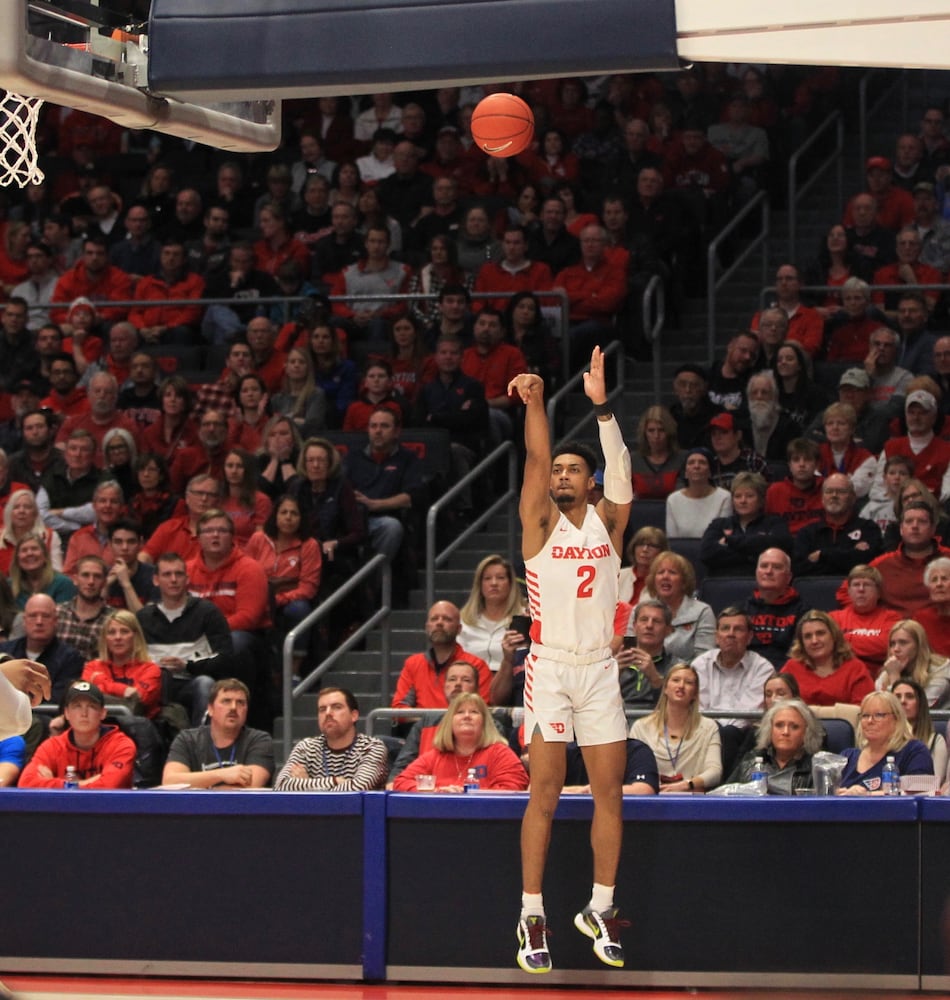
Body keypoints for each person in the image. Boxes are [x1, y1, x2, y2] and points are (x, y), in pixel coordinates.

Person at [507, 346, 632, 974]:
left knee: (610, 793)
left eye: (572, 469)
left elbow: (625, 473)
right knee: (547, 792)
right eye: (557, 469)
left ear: (590, 482)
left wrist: (601, 407)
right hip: (550, 666)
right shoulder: (537, 523)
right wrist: (534, 403)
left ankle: (599, 906)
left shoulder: (609, 524)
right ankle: (532, 914)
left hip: (600, 671)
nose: (559, 475)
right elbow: (533, 456)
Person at [137, 553, 237, 727]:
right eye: (167, 575)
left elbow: (225, 657)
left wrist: (187, 665)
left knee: (206, 684)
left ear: (187, 578)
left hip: (191, 681)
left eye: (179, 574)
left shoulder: (207, 612)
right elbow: (133, 659)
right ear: (156, 580)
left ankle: (201, 746)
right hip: (153, 685)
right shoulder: (142, 618)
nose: (173, 579)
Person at [692, 607, 775, 771]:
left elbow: (747, 714)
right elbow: (698, 709)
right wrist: (714, 730)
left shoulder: (762, 668)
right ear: (716, 636)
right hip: (703, 733)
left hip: (743, 737)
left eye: (738, 629)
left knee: (729, 733)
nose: (730, 634)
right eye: (725, 628)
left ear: (749, 637)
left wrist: (719, 731)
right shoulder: (700, 664)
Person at [391, 691, 528, 791]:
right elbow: (401, 782)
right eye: (460, 712)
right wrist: (438, 792)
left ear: (485, 723)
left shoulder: (500, 753)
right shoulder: (435, 756)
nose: (467, 716)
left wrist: (469, 794)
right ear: (449, 722)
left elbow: (514, 788)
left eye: (474, 712)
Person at [17, 679, 135, 789]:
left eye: (92, 706)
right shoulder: (52, 746)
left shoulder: (122, 745)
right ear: (66, 713)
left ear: (103, 713)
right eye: (77, 706)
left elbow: (109, 786)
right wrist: (84, 783)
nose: (84, 713)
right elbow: (26, 783)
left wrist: (54, 783)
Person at [161, 678, 274, 788]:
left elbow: (249, 787)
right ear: (210, 709)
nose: (233, 707)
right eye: (226, 701)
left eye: (240, 702)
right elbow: (170, 782)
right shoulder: (187, 739)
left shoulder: (259, 740)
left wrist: (196, 785)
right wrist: (222, 774)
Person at [629, 664, 722, 794]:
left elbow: (715, 772)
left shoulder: (708, 727)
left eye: (689, 682)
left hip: (693, 799)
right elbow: (633, 770)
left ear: (695, 693)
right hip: (653, 799)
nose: (681, 686)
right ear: (665, 688)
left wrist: (686, 785)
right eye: (676, 680)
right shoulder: (641, 727)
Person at [275, 687, 389, 791]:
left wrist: (307, 785)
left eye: (337, 707)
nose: (328, 713)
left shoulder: (372, 747)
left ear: (354, 715)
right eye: (322, 709)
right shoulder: (306, 747)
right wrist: (335, 781)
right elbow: (281, 785)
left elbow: (357, 788)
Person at [391, 600, 492, 708]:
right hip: (420, 725)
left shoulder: (477, 665)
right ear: (427, 627)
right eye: (434, 619)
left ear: (459, 629)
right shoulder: (413, 664)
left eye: (447, 619)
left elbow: (480, 710)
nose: (439, 623)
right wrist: (428, 721)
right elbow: (399, 709)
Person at [837, 690, 933, 794]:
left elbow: (924, 788)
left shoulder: (914, 750)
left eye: (878, 715)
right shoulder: (847, 757)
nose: (870, 721)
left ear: (897, 719)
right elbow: (828, 793)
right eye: (865, 715)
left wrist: (867, 796)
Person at [791, 473, 882, 577]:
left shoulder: (868, 528)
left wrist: (822, 555)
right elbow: (799, 569)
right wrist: (850, 554)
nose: (834, 495)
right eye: (829, 491)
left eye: (841, 492)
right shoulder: (807, 533)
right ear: (822, 498)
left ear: (853, 498)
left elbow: (867, 565)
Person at [700, 473, 790, 576]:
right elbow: (706, 554)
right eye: (738, 496)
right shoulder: (719, 524)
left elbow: (782, 546)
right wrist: (753, 552)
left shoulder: (775, 523)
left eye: (749, 496)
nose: (743, 501)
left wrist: (729, 541)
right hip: (723, 582)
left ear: (761, 499)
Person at [727, 698, 823, 794]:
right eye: (779, 725)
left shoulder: (817, 769)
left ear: (807, 732)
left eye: (794, 727)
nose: (785, 732)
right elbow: (725, 797)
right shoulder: (751, 762)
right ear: (770, 729)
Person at [780, 610, 874, 707]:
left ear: (833, 636)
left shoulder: (855, 669)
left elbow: (863, 710)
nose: (814, 641)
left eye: (820, 633)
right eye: (808, 636)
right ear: (801, 642)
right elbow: (778, 705)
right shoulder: (791, 668)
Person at [81, 609, 163, 719]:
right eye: (111, 632)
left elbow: (137, 702)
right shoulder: (92, 667)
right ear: (105, 639)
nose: (118, 637)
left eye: (124, 631)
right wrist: (123, 691)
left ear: (135, 636)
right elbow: (84, 698)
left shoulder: (151, 669)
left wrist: (99, 680)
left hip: (136, 729)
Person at [641, 551, 714, 663]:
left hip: (686, 678)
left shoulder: (702, 612)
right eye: (660, 572)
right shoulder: (641, 610)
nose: (665, 576)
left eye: (672, 572)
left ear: (684, 581)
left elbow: (704, 660)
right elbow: (631, 649)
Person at [458, 554, 526, 674]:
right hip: (471, 683)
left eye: (500, 578)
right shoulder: (464, 619)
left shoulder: (523, 617)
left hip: (510, 682)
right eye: (487, 578)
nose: (494, 583)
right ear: (480, 584)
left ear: (510, 583)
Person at [829, 565, 902, 677]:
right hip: (840, 675)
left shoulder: (892, 618)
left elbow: (887, 647)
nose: (861, 589)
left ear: (878, 592)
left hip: (880, 677)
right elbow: (827, 648)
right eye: (856, 585)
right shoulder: (833, 618)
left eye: (867, 585)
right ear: (848, 591)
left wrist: (843, 638)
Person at [743, 548, 805, 668]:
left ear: (789, 577)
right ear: (756, 572)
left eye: (776, 567)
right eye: (764, 566)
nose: (769, 571)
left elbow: (799, 656)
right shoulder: (741, 609)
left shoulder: (803, 612)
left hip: (785, 675)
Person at [875, 619, 950, 708]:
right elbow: (881, 710)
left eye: (903, 643)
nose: (896, 649)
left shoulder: (940, 671)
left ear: (919, 646)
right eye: (892, 644)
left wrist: (895, 679)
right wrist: (893, 675)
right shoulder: (889, 672)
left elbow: (915, 711)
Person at [665, 446, 731, 538]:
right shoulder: (673, 499)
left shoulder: (724, 497)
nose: (696, 466)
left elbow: (722, 537)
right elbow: (672, 540)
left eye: (702, 462)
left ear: (710, 472)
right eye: (691, 463)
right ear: (686, 473)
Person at [55, 555, 110, 662]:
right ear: (75, 580)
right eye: (85, 575)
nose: (91, 582)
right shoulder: (57, 613)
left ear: (104, 582)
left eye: (97, 576)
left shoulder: (112, 620)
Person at [892, 678, 948, 781]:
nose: (902, 701)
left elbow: (935, 784)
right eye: (897, 697)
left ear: (920, 704)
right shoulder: (880, 741)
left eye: (909, 696)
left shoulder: (935, 741)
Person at [0, 488, 63, 575]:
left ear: (35, 513)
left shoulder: (49, 536)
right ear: (9, 512)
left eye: (27, 507)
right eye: (16, 507)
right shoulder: (1, 537)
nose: (21, 511)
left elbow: (57, 573)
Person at [220, 448, 272, 546]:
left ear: (247, 470)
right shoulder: (218, 499)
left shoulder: (261, 500)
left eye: (239, 466)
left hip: (248, 555)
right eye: (230, 466)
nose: (234, 471)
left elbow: (260, 541)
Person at [631, 405, 684, 500]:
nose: (656, 436)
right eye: (651, 431)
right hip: (640, 511)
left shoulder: (682, 459)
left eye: (661, 430)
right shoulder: (633, 461)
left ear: (669, 432)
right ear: (644, 433)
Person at [9, 534, 75, 610]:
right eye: (24, 550)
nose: (29, 553)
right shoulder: (8, 586)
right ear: (17, 559)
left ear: (45, 556)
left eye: (34, 549)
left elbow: (63, 617)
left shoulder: (63, 583)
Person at [617, 526, 668, 604]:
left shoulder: (664, 580)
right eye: (640, 544)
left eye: (652, 545)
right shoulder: (619, 576)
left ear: (662, 551)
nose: (645, 549)